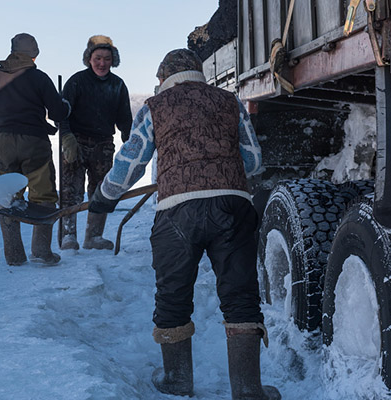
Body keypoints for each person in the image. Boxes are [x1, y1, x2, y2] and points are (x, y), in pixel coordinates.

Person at [88, 49, 281, 400]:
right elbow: (253, 161)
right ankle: (249, 389)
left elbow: (131, 160)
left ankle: (177, 380)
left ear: (164, 78)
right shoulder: (229, 101)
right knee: (240, 296)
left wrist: (105, 196)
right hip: (232, 205)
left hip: (177, 210)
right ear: (198, 73)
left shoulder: (154, 106)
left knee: (173, 295)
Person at [0, 33, 70, 266]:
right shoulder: (38, 77)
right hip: (34, 141)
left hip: (2, 142)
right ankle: (41, 250)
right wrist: (64, 107)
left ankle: (14, 255)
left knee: (7, 196)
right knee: (43, 193)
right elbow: (57, 112)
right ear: (34, 55)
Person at [58, 35, 132, 251]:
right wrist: (67, 137)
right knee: (71, 189)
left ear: (113, 60)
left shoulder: (118, 85)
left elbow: (125, 119)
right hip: (76, 143)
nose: (102, 63)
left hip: (104, 145)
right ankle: (68, 236)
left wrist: (129, 143)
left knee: (101, 190)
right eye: (98, 58)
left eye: (107, 59)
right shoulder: (76, 81)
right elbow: (62, 114)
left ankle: (94, 236)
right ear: (89, 58)